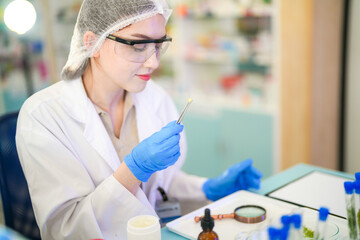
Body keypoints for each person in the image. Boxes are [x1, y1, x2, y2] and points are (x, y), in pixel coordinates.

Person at [15, 0, 263, 239]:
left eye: (158, 45)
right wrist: (133, 171)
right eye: (137, 46)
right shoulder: (43, 116)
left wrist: (206, 188)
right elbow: (65, 229)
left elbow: (160, 186)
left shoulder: (154, 97)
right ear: (93, 43)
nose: (153, 62)